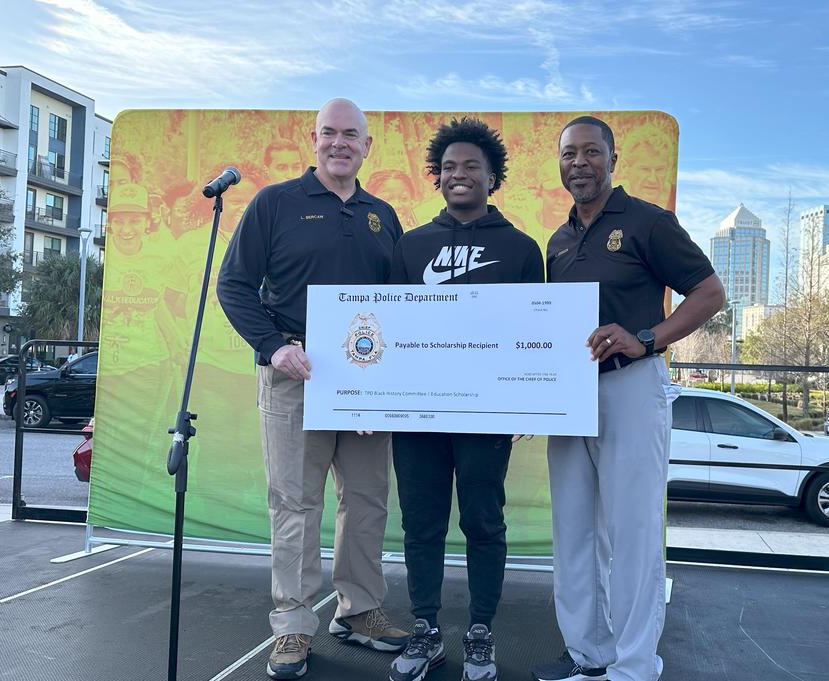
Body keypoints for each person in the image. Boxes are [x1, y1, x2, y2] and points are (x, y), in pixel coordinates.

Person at [217, 98, 409, 681]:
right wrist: (274, 346)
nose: (339, 143)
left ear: (368, 146)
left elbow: (399, 305)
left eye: (351, 134)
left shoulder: (383, 215)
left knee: (367, 499)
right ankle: (293, 625)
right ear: (314, 139)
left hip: (365, 381)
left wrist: (387, 387)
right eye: (329, 133)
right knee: (296, 504)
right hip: (294, 373)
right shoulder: (275, 203)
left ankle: (360, 609)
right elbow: (234, 285)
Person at [529, 116, 726, 681]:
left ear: (613, 159)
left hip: (631, 386)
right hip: (570, 395)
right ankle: (588, 654)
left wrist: (647, 339)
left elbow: (710, 292)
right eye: (569, 154)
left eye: (591, 152)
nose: (579, 163)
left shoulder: (648, 222)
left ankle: (634, 666)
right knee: (574, 531)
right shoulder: (558, 241)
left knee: (633, 532)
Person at [386, 118, 543, 681]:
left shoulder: (521, 249)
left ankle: (481, 631)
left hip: (486, 417)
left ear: (492, 176)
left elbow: (535, 333)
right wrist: (371, 399)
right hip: (418, 415)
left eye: (472, 165)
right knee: (421, 525)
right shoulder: (410, 246)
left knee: (484, 522)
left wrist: (528, 398)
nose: (459, 174)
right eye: (449, 166)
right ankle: (425, 630)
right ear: (437, 176)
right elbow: (390, 329)